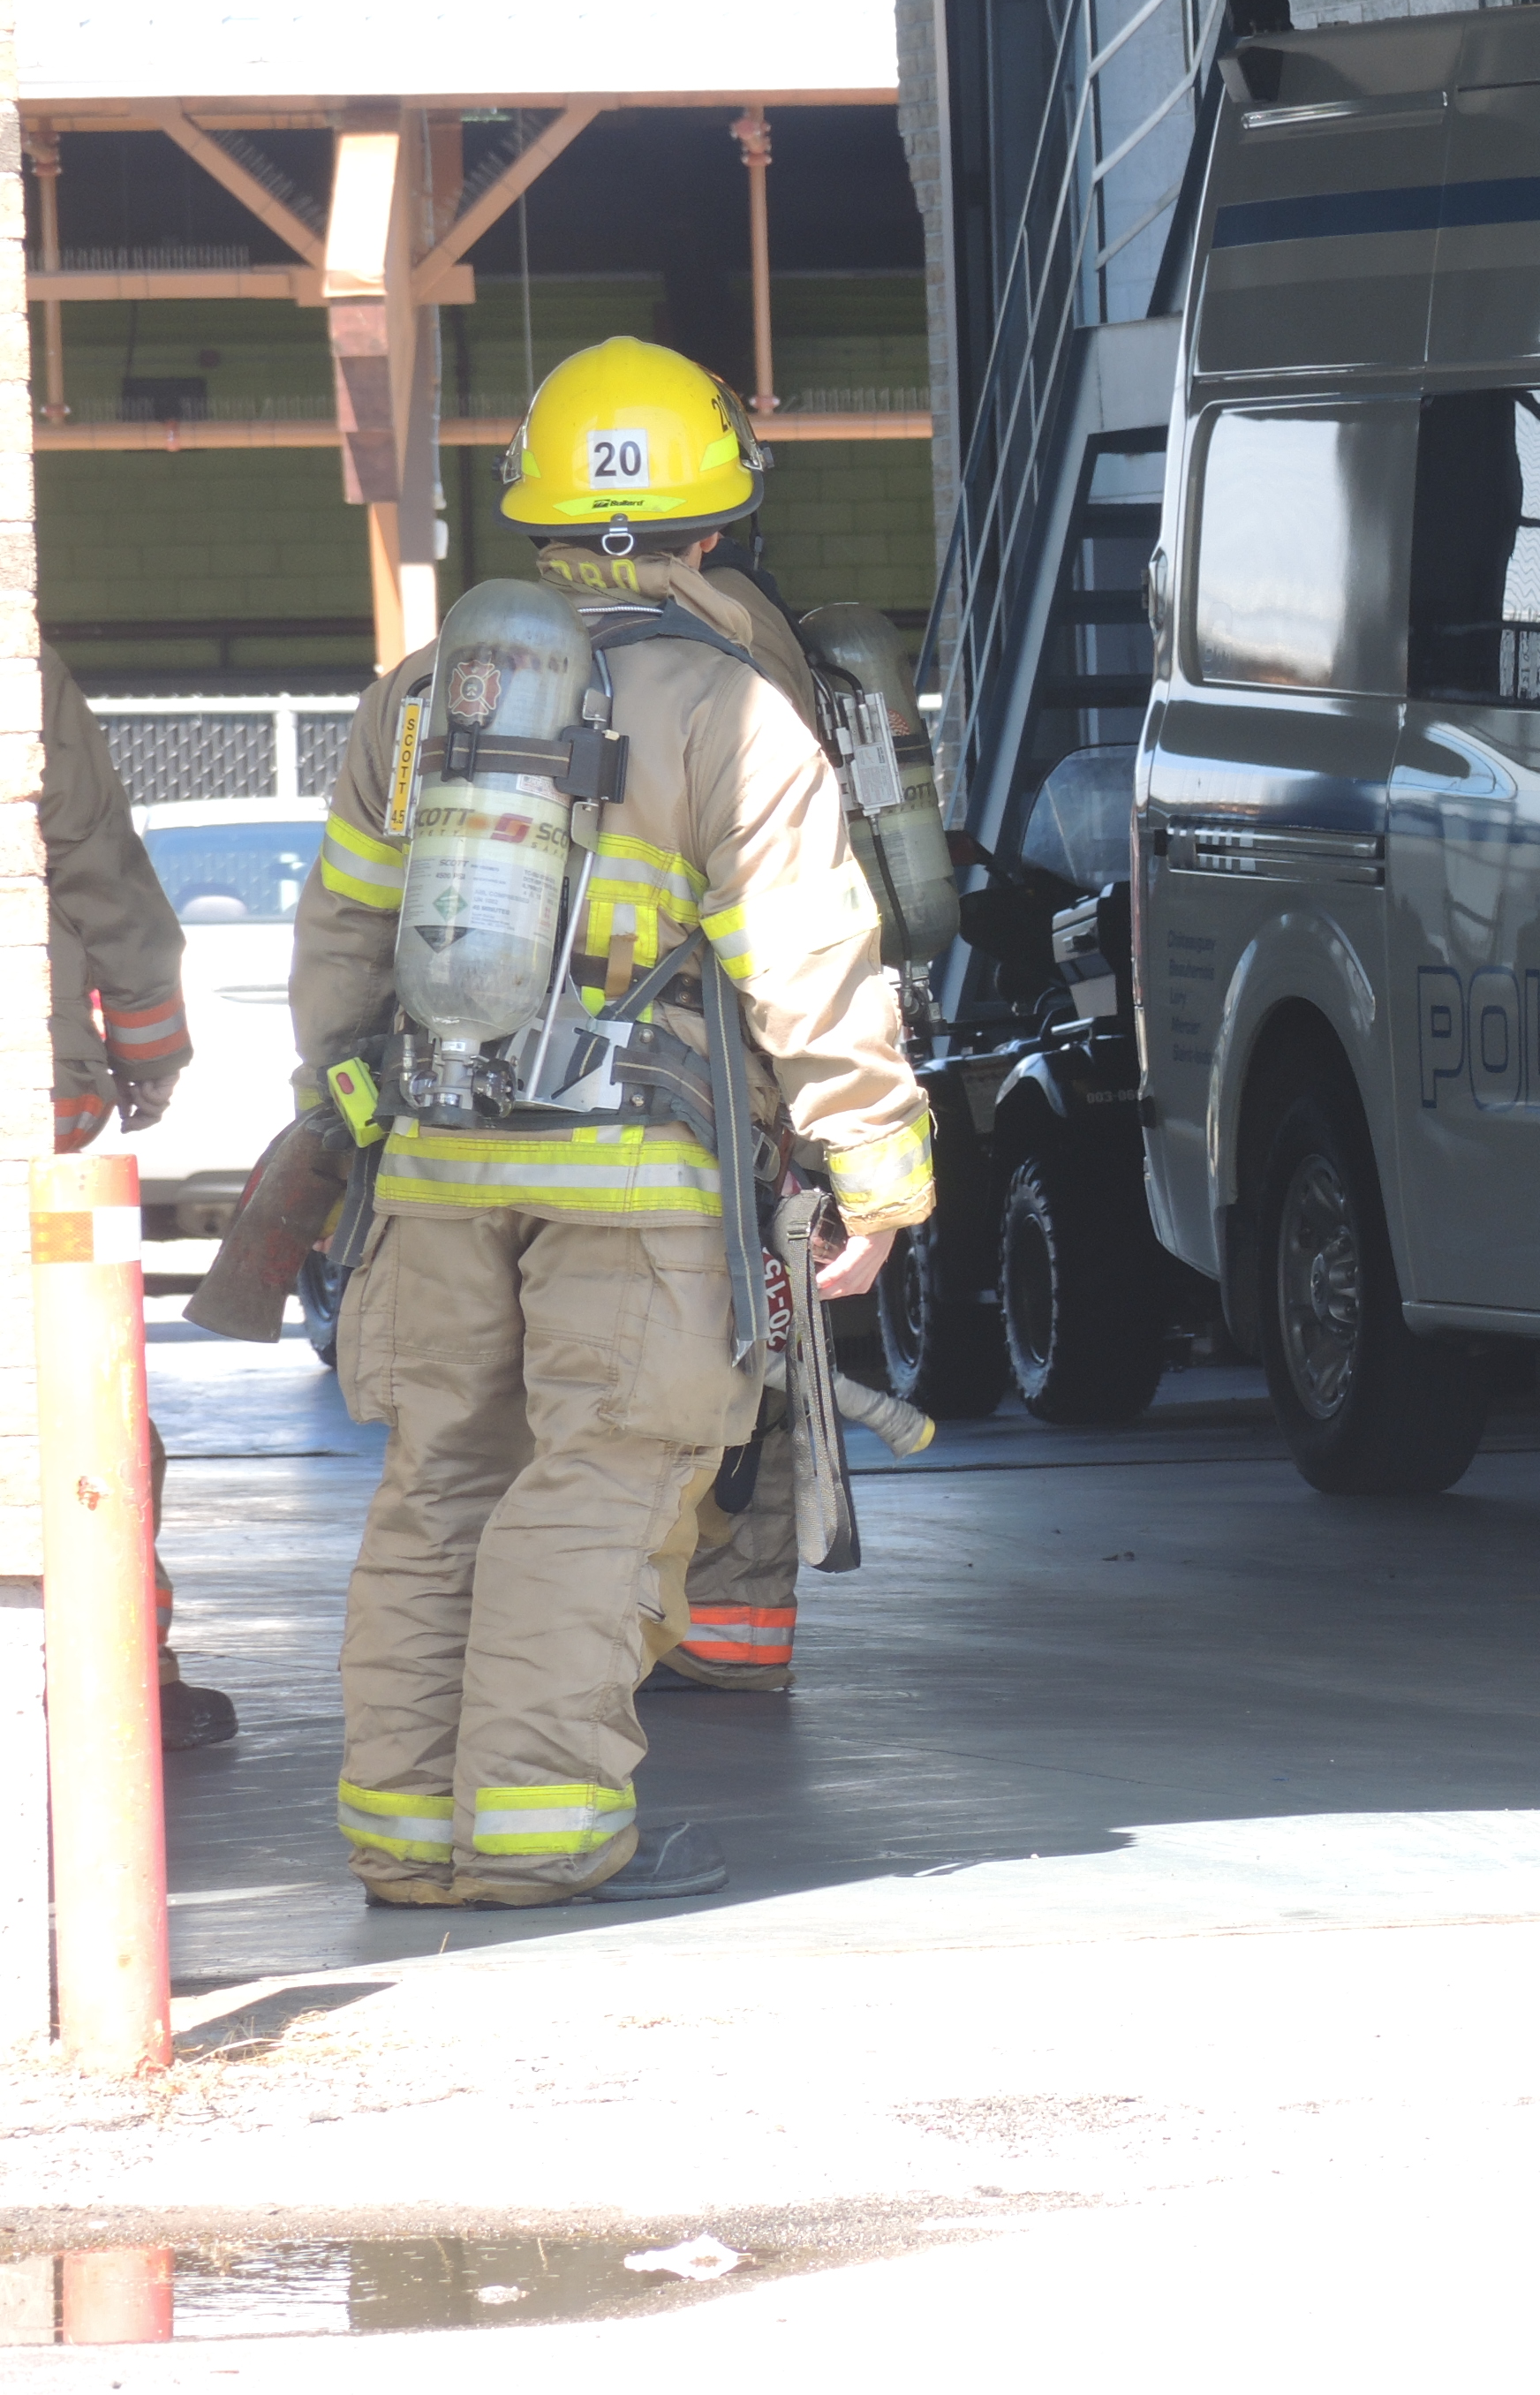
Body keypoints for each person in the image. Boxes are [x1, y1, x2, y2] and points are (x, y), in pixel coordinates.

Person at [292, 338, 935, 1907]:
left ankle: (404, 1839)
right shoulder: (734, 708)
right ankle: (538, 1838)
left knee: (439, 1482)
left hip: (435, 1166)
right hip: (639, 1186)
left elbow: (344, 946)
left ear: (536, 514)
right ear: (714, 524)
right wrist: (877, 1169)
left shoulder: (421, 700)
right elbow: (810, 964)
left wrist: (343, 1126)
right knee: (596, 1487)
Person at [525, 341, 846, 1698]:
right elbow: (803, 916)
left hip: (491, 1112)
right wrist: (854, 1149)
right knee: (734, 1352)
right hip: (696, 1098)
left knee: (535, 1411)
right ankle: (726, 1627)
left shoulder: (464, 662)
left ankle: (565, 1654)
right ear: (717, 517)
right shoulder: (744, 653)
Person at [41, 652, 237, 1750]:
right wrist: (150, 1047)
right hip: (18, 1095)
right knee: (78, 1388)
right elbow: (94, 857)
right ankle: (122, 1668)